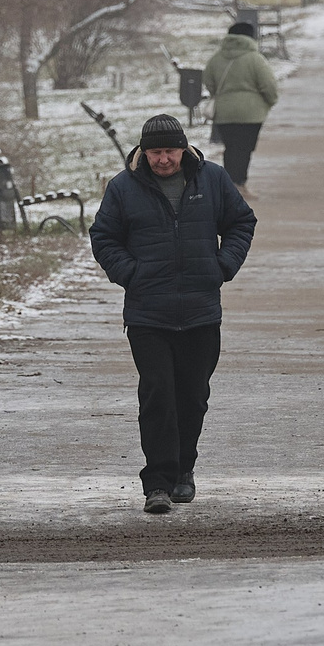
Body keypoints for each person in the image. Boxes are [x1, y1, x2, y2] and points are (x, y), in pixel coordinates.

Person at [88, 114, 257, 515]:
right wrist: (132, 274)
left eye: (169, 151)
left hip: (200, 311)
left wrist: (222, 267)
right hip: (148, 313)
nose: (163, 159)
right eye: (155, 152)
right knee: (157, 393)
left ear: (184, 148)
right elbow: (103, 237)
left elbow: (241, 223)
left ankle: (184, 471)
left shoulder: (212, 180)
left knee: (193, 395)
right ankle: (158, 484)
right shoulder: (123, 188)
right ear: (143, 153)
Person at [202, 21, 279, 194]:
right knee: (244, 149)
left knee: (230, 148)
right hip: (251, 113)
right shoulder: (255, 59)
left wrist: (221, 95)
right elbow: (268, 84)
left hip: (224, 112)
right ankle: (240, 184)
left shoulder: (216, 58)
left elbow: (208, 80)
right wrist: (270, 101)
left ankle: (229, 186)